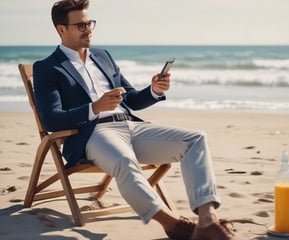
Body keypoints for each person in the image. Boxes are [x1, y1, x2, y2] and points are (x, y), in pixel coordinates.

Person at [33, 0, 235, 239]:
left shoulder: (103, 56)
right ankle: (173, 224)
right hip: (92, 133)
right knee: (124, 161)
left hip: (130, 125)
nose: (88, 29)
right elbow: (52, 120)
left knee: (195, 139)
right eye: (80, 25)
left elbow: (130, 98)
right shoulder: (48, 67)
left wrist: (154, 91)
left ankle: (207, 219)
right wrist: (94, 108)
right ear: (61, 29)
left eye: (90, 23)